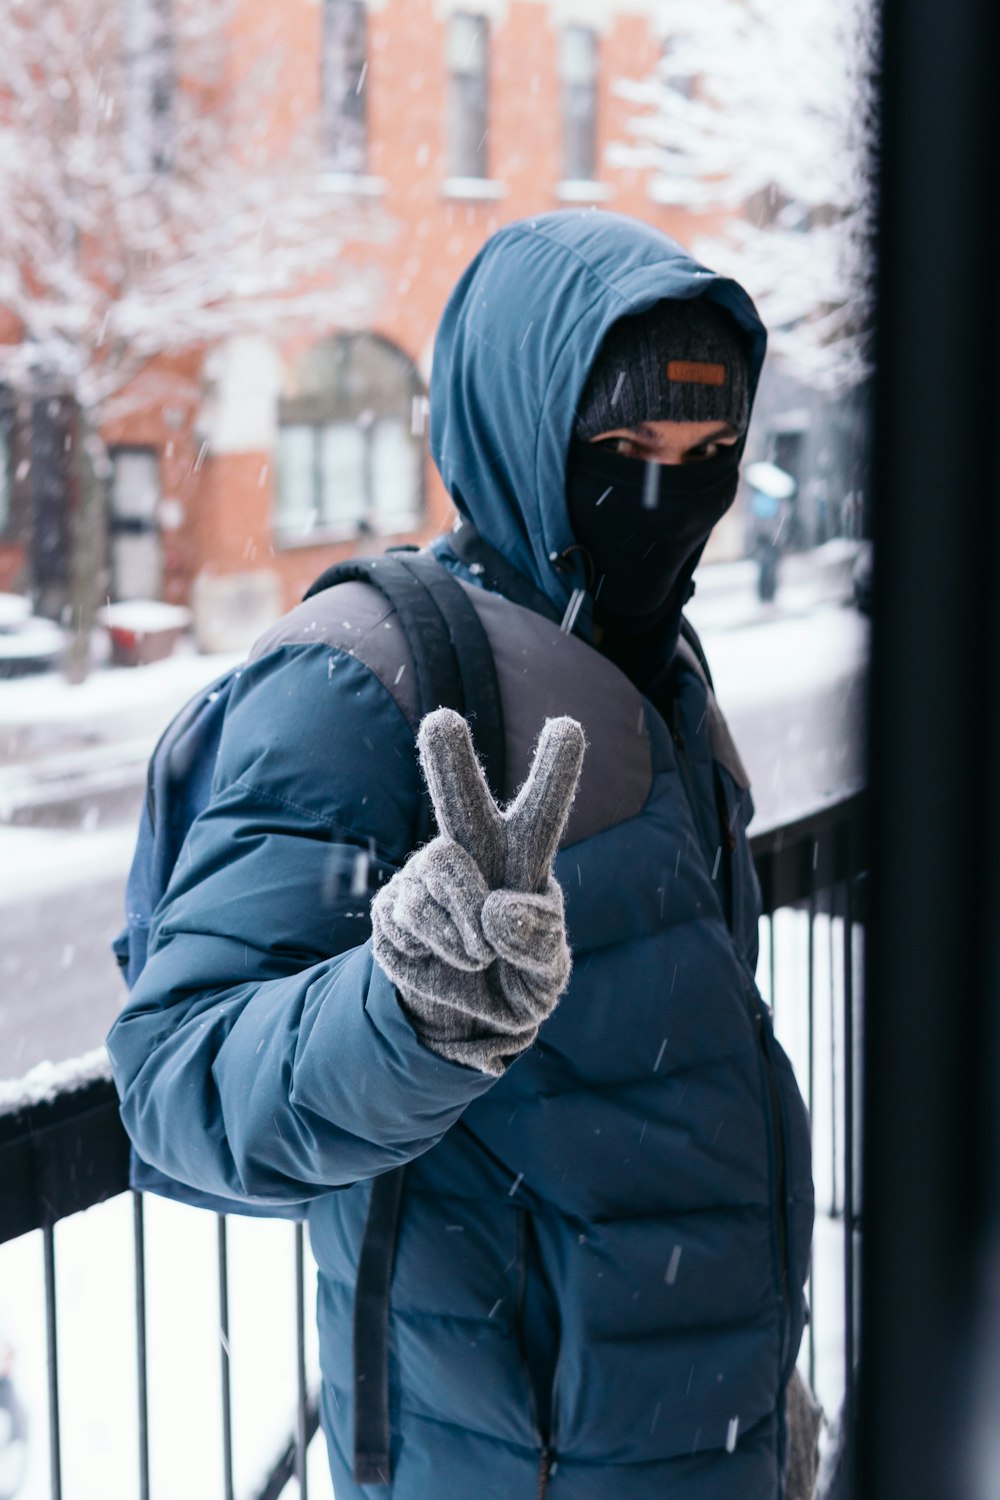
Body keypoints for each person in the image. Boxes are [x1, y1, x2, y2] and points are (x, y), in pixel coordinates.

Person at [107, 211, 815, 1499]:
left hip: (706, 1440)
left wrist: (765, 1384)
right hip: (503, 1463)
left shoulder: (659, 664)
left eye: (709, 454)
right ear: (521, 431)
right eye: (622, 450)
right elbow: (174, 1077)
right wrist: (407, 1011)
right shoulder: (362, 682)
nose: (670, 499)